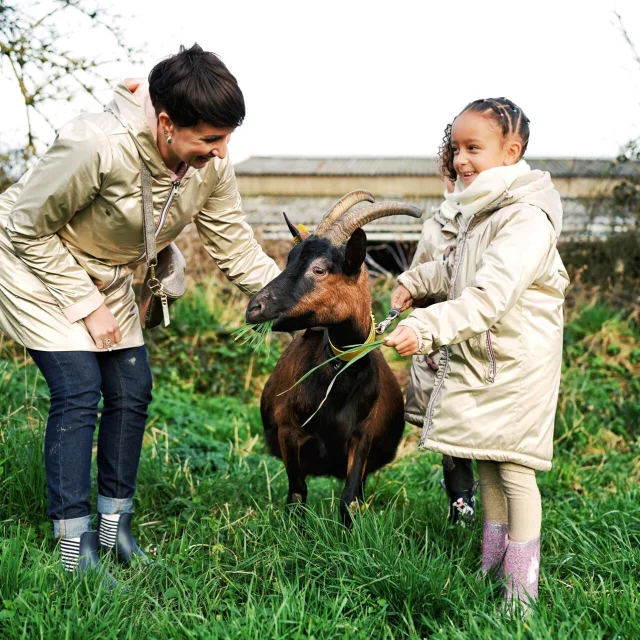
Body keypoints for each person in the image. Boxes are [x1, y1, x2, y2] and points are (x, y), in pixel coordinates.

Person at [0, 44, 280, 581]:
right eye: (210, 140)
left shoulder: (209, 166)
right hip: (34, 257)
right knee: (79, 387)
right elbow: (26, 227)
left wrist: (290, 298)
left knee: (132, 387)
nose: (222, 153)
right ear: (168, 124)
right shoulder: (94, 146)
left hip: (106, 269)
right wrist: (85, 307)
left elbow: (234, 244)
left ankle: (115, 532)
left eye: (227, 138)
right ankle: (73, 552)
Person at [385, 97, 569, 612]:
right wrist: (415, 281)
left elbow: (488, 297)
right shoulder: (480, 209)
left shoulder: (526, 218)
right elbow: (456, 270)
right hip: (489, 358)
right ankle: (491, 563)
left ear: (512, 151)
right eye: (456, 148)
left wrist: (424, 327)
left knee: (514, 471)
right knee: (488, 464)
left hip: (516, 364)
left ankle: (520, 590)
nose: (461, 160)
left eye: (474, 148)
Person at [400, 179, 477, 525]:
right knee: (451, 432)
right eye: (453, 172)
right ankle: (461, 508)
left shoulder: (500, 218)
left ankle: (501, 518)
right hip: (443, 345)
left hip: (484, 343)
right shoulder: (435, 228)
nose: (461, 177)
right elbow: (422, 278)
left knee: (488, 431)